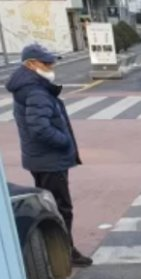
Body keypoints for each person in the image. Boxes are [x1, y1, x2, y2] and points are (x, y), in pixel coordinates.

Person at [5, 43, 93, 267]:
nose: (51, 66)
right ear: (31, 64)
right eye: (46, 63)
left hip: (40, 158)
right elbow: (40, 127)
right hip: (49, 160)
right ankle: (64, 252)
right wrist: (64, 142)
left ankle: (58, 250)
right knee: (61, 208)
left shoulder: (27, 87)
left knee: (52, 204)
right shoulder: (35, 91)